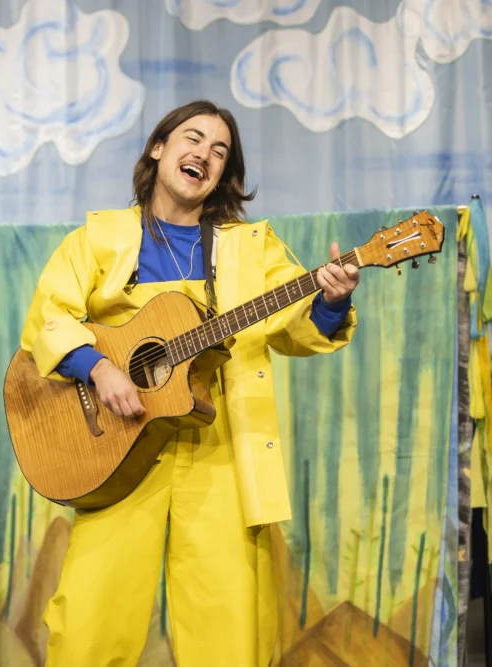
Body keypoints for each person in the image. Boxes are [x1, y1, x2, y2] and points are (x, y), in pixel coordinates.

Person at [19, 100, 360, 667]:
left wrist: (332, 300)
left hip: (221, 446)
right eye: (193, 138)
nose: (204, 152)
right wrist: (99, 368)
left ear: (223, 175)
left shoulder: (251, 250)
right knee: (89, 625)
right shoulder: (100, 238)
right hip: (120, 447)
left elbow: (295, 328)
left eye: (220, 150)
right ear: (159, 148)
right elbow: (47, 317)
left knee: (229, 628)